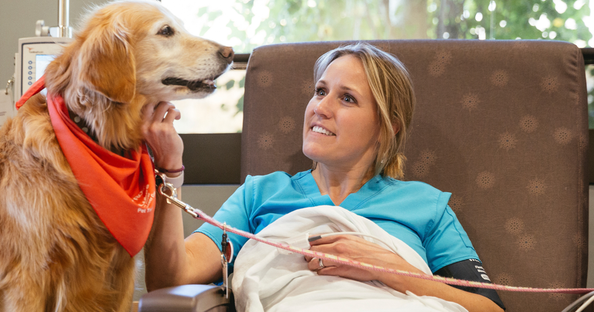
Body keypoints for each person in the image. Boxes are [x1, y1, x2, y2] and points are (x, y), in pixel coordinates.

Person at [141, 42, 505, 311]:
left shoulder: (426, 206)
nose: (321, 108)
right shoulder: (259, 194)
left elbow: (490, 309)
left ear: (387, 128)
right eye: (320, 91)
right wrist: (169, 171)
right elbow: (170, 279)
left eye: (347, 99)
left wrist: (394, 270)